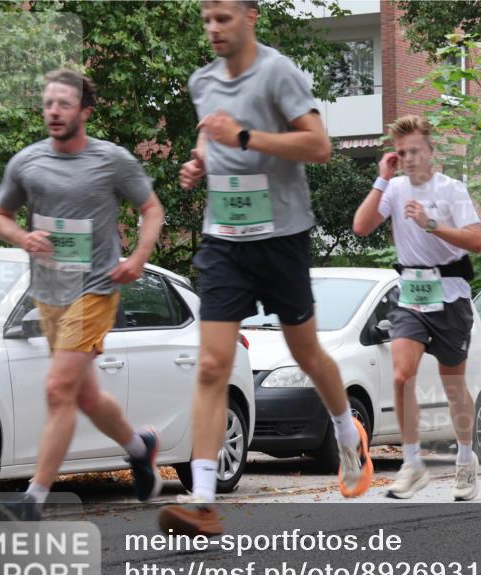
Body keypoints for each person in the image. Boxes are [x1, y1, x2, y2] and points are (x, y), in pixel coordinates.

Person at [158, 0, 368, 537]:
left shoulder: (279, 72)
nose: (212, 28)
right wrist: (199, 157)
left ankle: (348, 432)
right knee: (211, 364)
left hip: (281, 237)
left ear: (250, 16)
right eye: (205, 18)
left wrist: (246, 138)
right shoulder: (202, 80)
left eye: (222, 18)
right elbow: (210, 132)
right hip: (223, 239)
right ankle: (203, 500)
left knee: (305, 351)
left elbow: (319, 145)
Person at [0, 68, 166, 520]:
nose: (53, 111)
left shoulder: (112, 160)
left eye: (64, 104)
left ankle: (34, 499)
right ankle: (138, 447)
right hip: (49, 292)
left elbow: (151, 208)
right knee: (83, 396)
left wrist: (140, 257)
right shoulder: (26, 162)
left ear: (84, 110)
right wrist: (23, 238)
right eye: (48, 103)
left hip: (97, 289)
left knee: (58, 387)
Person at [353, 114, 481, 500]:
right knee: (400, 375)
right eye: (400, 153)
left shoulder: (452, 190)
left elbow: (475, 241)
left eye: (414, 151)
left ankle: (464, 459)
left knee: (453, 386)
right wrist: (381, 178)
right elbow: (361, 227)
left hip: (450, 295)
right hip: (411, 294)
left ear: (430, 151)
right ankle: (412, 464)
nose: (407, 158)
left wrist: (430, 225)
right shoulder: (393, 189)